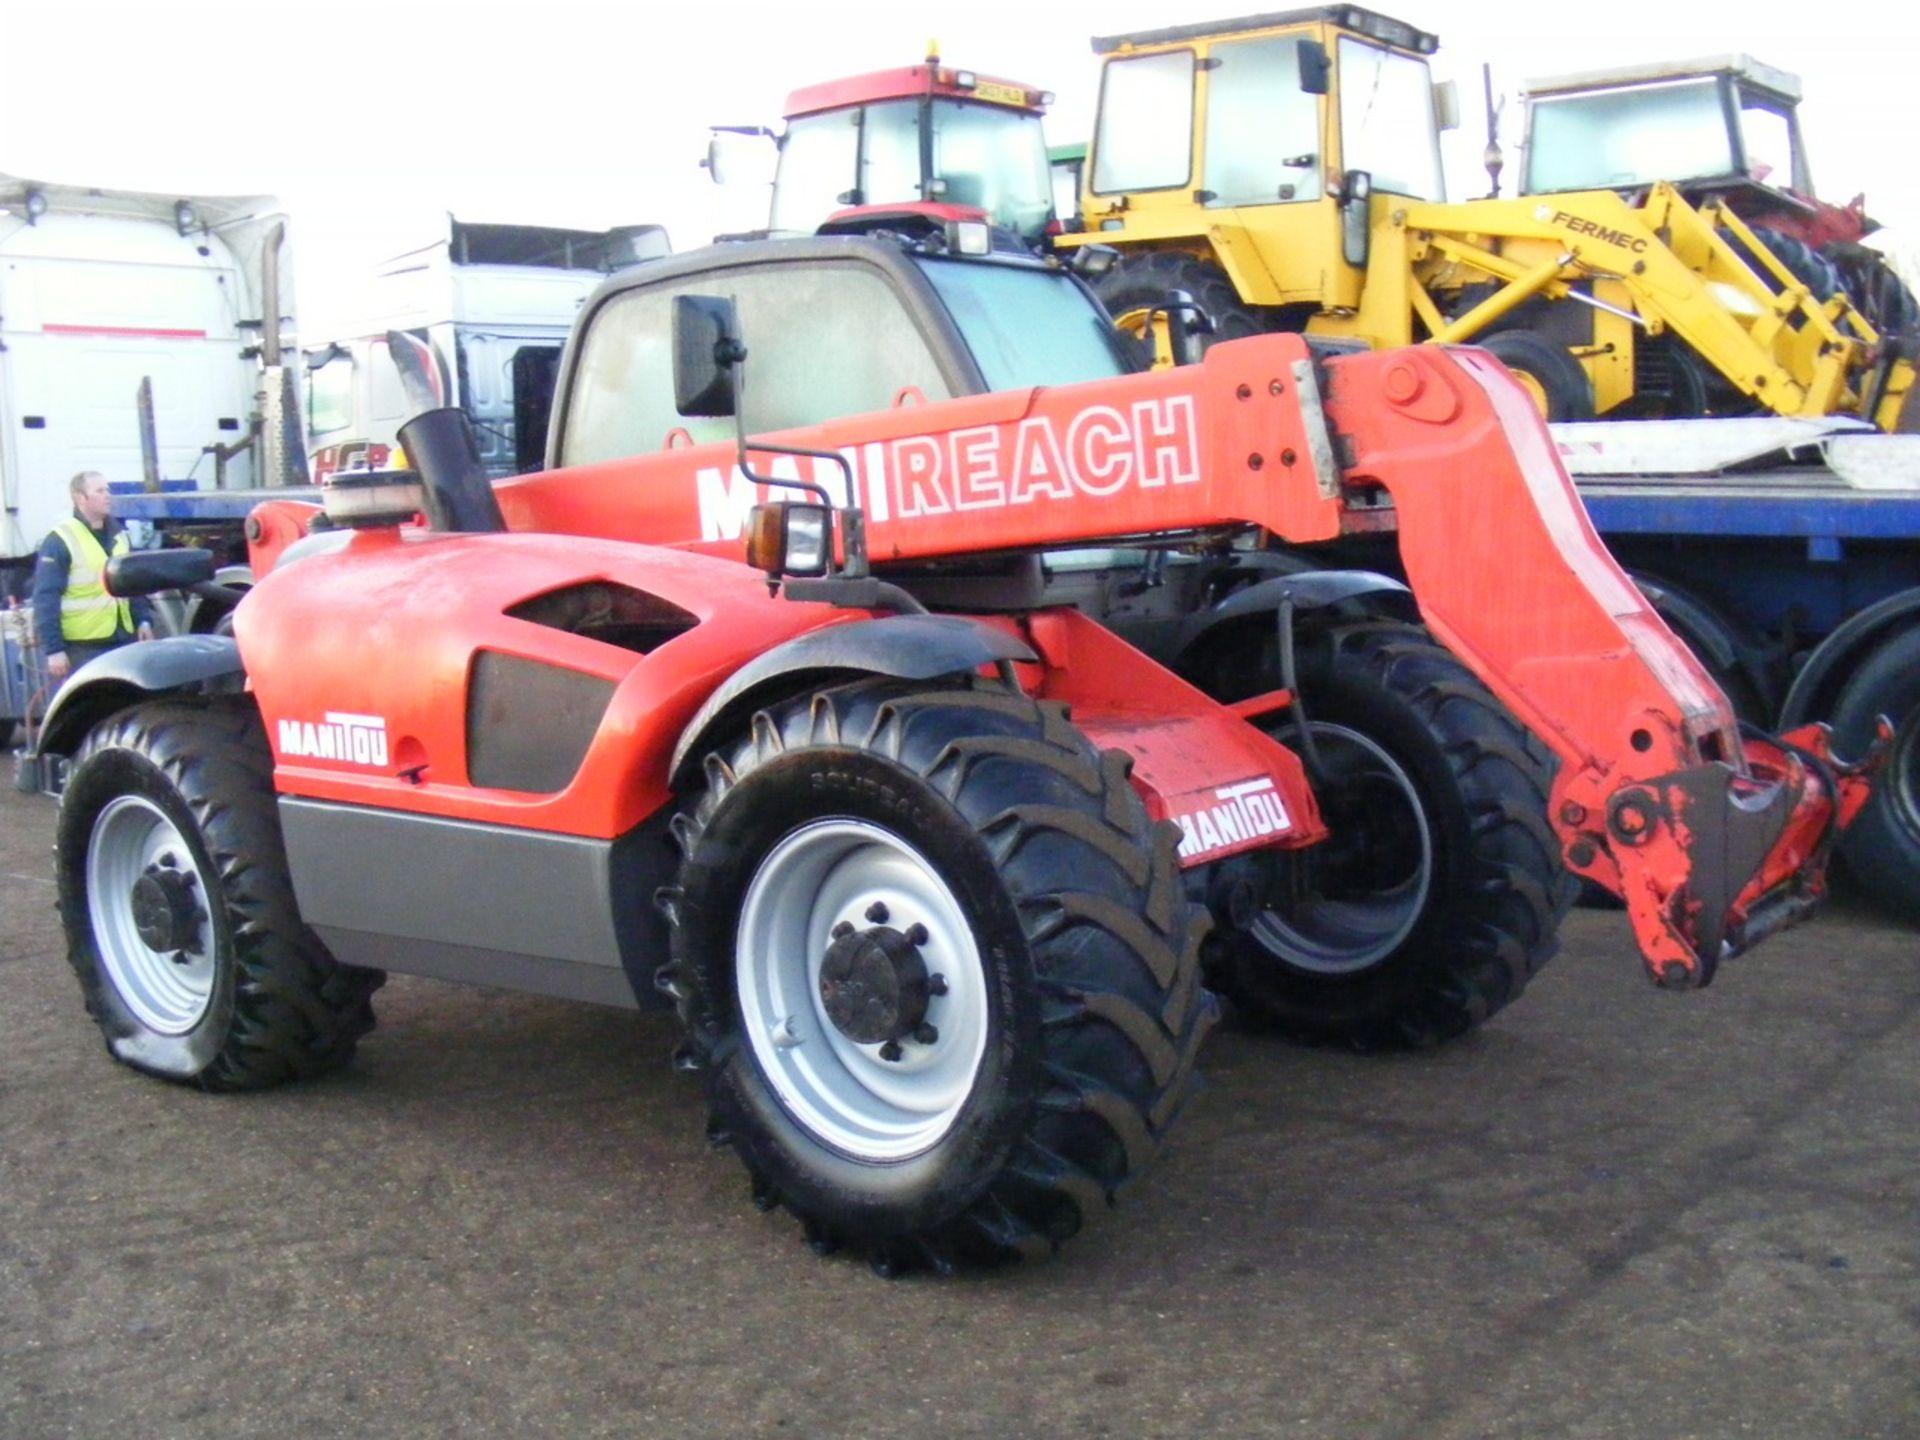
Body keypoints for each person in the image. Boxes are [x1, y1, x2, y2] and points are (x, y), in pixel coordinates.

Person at [31, 470, 154, 683]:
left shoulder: (120, 535)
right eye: (99, 490)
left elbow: (134, 584)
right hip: (83, 647)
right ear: (81, 498)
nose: (108, 495)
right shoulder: (60, 539)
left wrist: (143, 621)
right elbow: (46, 597)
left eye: (108, 489)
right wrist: (54, 649)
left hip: (123, 639)